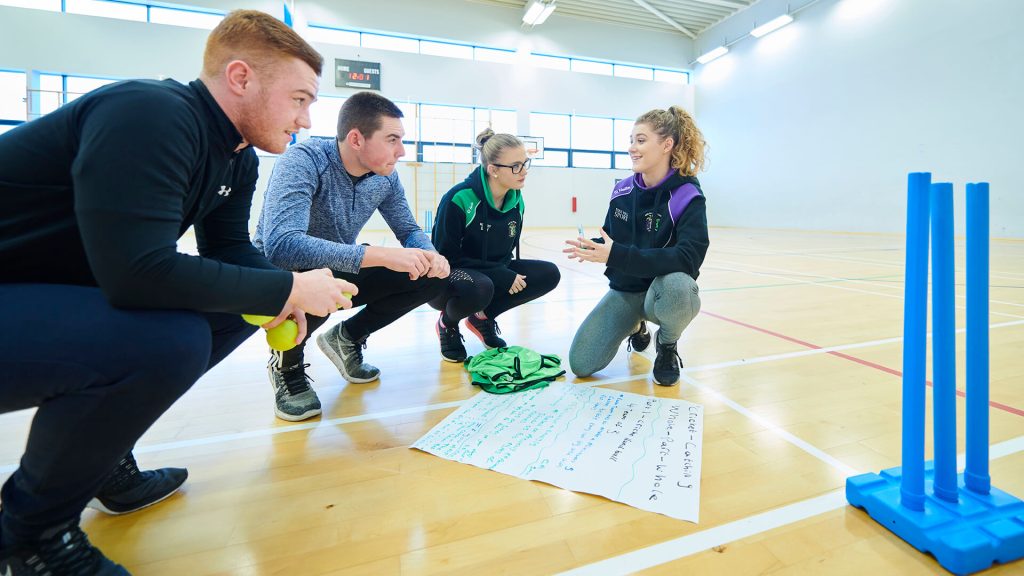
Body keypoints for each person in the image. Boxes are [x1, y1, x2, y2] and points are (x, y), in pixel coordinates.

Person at [0, 10, 356, 575]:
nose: (306, 120)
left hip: (30, 294)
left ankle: (99, 458)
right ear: (240, 78)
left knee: (244, 309)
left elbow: (231, 252)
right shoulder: (151, 114)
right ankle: (28, 538)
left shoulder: (234, 157)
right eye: (299, 99)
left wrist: (282, 296)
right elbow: (135, 273)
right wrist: (289, 283)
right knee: (167, 341)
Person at [254, 92, 449, 422]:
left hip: (337, 265)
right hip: (283, 275)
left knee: (427, 276)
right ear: (357, 138)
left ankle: (346, 339)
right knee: (320, 280)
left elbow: (409, 230)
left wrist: (430, 255)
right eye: (392, 140)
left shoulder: (385, 177)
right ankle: (286, 363)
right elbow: (282, 245)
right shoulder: (303, 160)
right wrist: (380, 255)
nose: (401, 151)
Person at [565, 106, 709, 387]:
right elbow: (612, 240)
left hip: (661, 293)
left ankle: (666, 345)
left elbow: (688, 258)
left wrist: (617, 254)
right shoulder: (622, 190)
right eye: (631, 140)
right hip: (627, 291)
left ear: (667, 145)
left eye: (641, 140)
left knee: (681, 287)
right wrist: (593, 248)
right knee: (581, 364)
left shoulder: (687, 195)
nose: (632, 148)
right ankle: (635, 323)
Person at [429, 129, 561, 362]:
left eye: (525, 163)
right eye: (516, 166)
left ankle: (482, 318)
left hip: (489, 275)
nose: (524, 171)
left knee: (549, 274)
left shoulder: (516, 202)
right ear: (493, 170)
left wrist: (502, 272)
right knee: (483, 286)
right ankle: (447, 323)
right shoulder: (458, 199)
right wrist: (499, 274)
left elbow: (505, 255)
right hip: (448, 279)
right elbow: (445, 258)